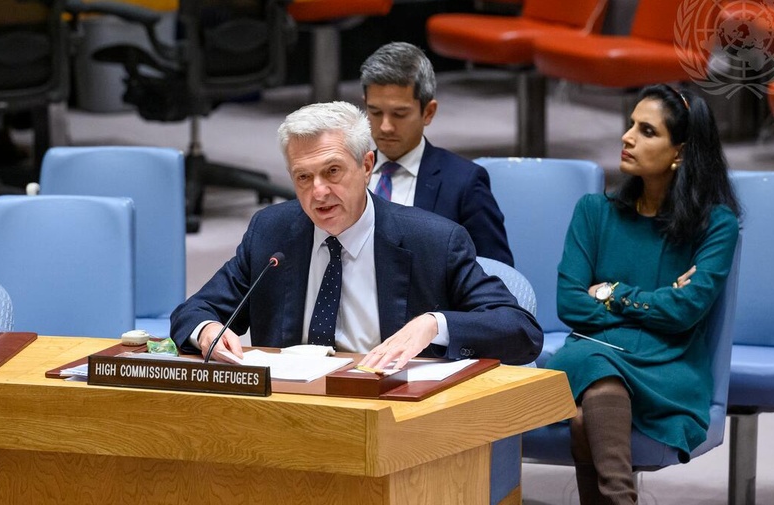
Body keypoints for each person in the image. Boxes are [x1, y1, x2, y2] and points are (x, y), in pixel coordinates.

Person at [170, 101, 542, 370]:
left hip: (392, 414)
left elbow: (521, 332)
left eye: (332, 172)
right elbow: (194, 312)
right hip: (289, 412)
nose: (318, 192)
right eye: (303, 177)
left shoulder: (433, 241)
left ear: (366, 167)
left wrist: (434, 324)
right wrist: (208, 331)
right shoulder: (272, 231)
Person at [545, 84, 740, 504]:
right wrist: (655, 304)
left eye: (647, 131)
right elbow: (569, 303)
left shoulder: (716, 225)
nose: (627, 137)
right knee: (599, 369)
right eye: (630, 124)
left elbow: (686, 311)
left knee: (584, 419)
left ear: (681, 153)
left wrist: (612, 292)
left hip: (669, 366)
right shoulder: (593, 212)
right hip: (597, 353)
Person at [359, 42, 514, 266]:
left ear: (428, 112)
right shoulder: (347, 172)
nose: (385, 127)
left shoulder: (464, 184)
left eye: (399, 114)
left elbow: (498, 273)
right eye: (375, 112)